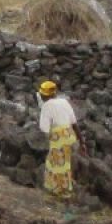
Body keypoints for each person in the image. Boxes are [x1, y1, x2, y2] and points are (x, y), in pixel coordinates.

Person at [38, 79, 79, 207]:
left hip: (58, 138)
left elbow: (44, 128)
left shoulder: (46, 105)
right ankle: (56, 190)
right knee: (57, 163)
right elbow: (74, 123)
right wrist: (82, 142)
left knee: (59, 166)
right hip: (69, 134)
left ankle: (63, 194)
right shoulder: (64, 101)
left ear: (44, 95)